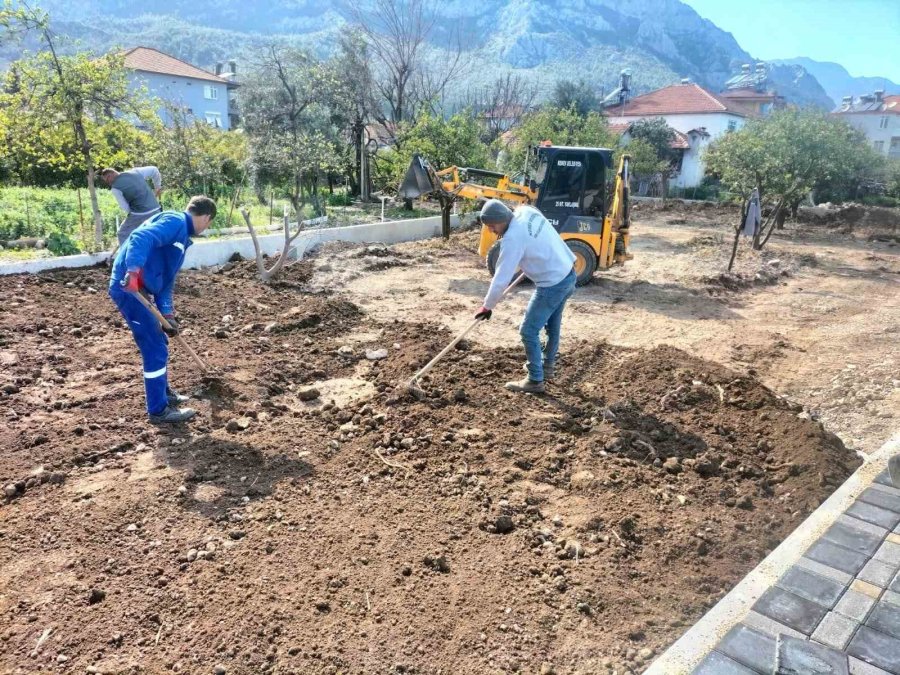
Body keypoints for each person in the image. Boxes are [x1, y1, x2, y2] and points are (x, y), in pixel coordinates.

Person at [108, 196, 217, 423]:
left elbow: (166, 282)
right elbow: (140, 237)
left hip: (144, 289)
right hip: (131, 289)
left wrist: (168, 315)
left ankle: (163, 393)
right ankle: (158, 410)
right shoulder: (176, 221)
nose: (207, 227)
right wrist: (134, 271)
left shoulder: (182, 238)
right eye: (209, 223)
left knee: (160, 341)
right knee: (154, 346)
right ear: (206, 217)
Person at [475, 199, 577, 394]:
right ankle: (547, 367)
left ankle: (534, 379)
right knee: (552, 325)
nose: (491, 230)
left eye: (492, 226)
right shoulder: (526, 212)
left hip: (552, 285)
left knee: (528, 331)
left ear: (501, 219)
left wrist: (487, 307)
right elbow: (538, 237)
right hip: (568, 273)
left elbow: (501, 278)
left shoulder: (512, 238)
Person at [100, 166, 163, 245]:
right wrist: (158, 187)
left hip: (139, 213)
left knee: (122, 233)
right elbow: (154, 170)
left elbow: (125, 207)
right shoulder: (136, 171)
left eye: (107, 180)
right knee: (153, 232)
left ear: (111, 175)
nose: (108, 183)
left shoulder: (115, 188)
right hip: (155, 209)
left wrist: (132, 216)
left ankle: (126, 255)